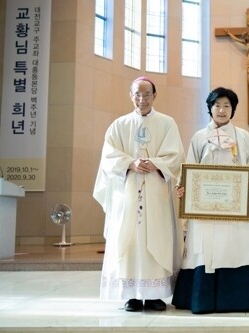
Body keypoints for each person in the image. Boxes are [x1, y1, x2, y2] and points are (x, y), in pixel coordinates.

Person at [93, 77, 186, 312]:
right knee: (130, 240)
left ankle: (155, 295)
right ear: (130, 95)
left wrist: (155, 163)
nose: (142, 99)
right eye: (137, 94)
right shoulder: (119, 125)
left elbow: (176, 156)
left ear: (155, 96)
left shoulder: (167, 123)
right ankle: (131, 295)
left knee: (156, 237)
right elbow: (108, 156)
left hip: (156, 193)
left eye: (146, 94)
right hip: (127, 194)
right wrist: (130, 163)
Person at [171, 87, 249, 314]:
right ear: (210, 109)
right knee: (206, 250)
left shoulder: (242, 136)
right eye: (217, 105)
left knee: (237, 247)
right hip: (205, 209)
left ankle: (238, 299)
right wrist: (183, 185)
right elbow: (189, 167)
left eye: (226, 106)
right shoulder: (199, 137)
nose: (221, 110)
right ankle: (202, 298)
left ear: (233, 109)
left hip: (236, 208)